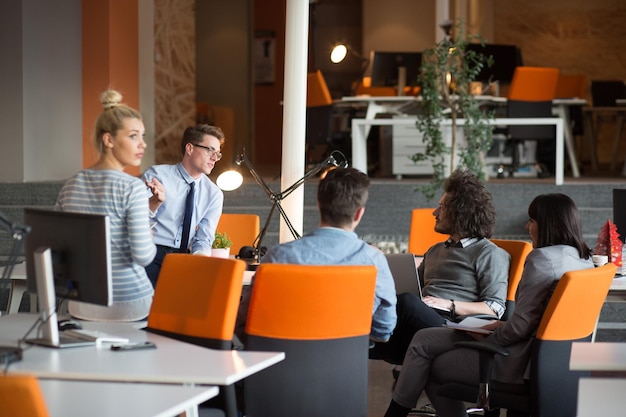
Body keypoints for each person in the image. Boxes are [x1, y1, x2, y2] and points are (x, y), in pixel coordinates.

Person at [383, 193, 594, 417]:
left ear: (548, 224)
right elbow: (533, 321)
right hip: (555, 359)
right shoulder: (583, 260)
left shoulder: (541, 259)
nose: (527, 226)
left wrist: (488, 336)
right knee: (423, 339)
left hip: (516, 359)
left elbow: (521, 326)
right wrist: (494, 327)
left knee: (427, 365)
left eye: (532, 221)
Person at [235, 167, 397, 344]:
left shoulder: (278, 256)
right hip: (346, 366)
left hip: (280, 365)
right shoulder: (373, 261)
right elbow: (384, 329)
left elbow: (245, 323)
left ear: (319, 204)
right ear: (359, 213)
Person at [370, 169, 510, 364]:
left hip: (452, 323)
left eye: (441, 207)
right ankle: (357, 341)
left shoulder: (489, 253)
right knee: (380, 300)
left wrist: (450, 304)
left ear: (460, 213)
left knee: (406, 303)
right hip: (420, 318)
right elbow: (413, 287)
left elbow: (494, 308)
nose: (435, 213)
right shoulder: (435, 250)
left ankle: (367, 341)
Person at [55, 89, 156, 322]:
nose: (143, 144)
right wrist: (149, 235)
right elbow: (143, 256)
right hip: (129, 304)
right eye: (133, 136)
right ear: (108, 139)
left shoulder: (71, 184)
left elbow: (58, 245)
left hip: (81, 304)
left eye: (143, 136)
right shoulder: (133, 187)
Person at [142, 124, 225, 287]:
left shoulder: (214, 194)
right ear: (190, 148)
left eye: (218, 154)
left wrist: (199, 260)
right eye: (210, 151)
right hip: (152, 254)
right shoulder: (157, 176)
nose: (214, 158)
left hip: (186, 259)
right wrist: (153, 203)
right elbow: (136, 220)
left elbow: (204, 238)